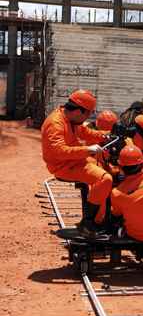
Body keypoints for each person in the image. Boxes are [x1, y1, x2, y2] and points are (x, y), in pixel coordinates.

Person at [41, 89, 112, 237]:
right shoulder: (55, 124)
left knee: (108, 170)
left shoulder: (71, 120)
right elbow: (59, 152)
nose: (88, 117)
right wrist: (88, 150)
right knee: (104, 179)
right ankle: (87, 223)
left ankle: (101, 219)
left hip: (76, 161)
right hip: (63, 166)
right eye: (88, 113)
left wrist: (105, 136)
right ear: (79, 111)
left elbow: (86, 133)